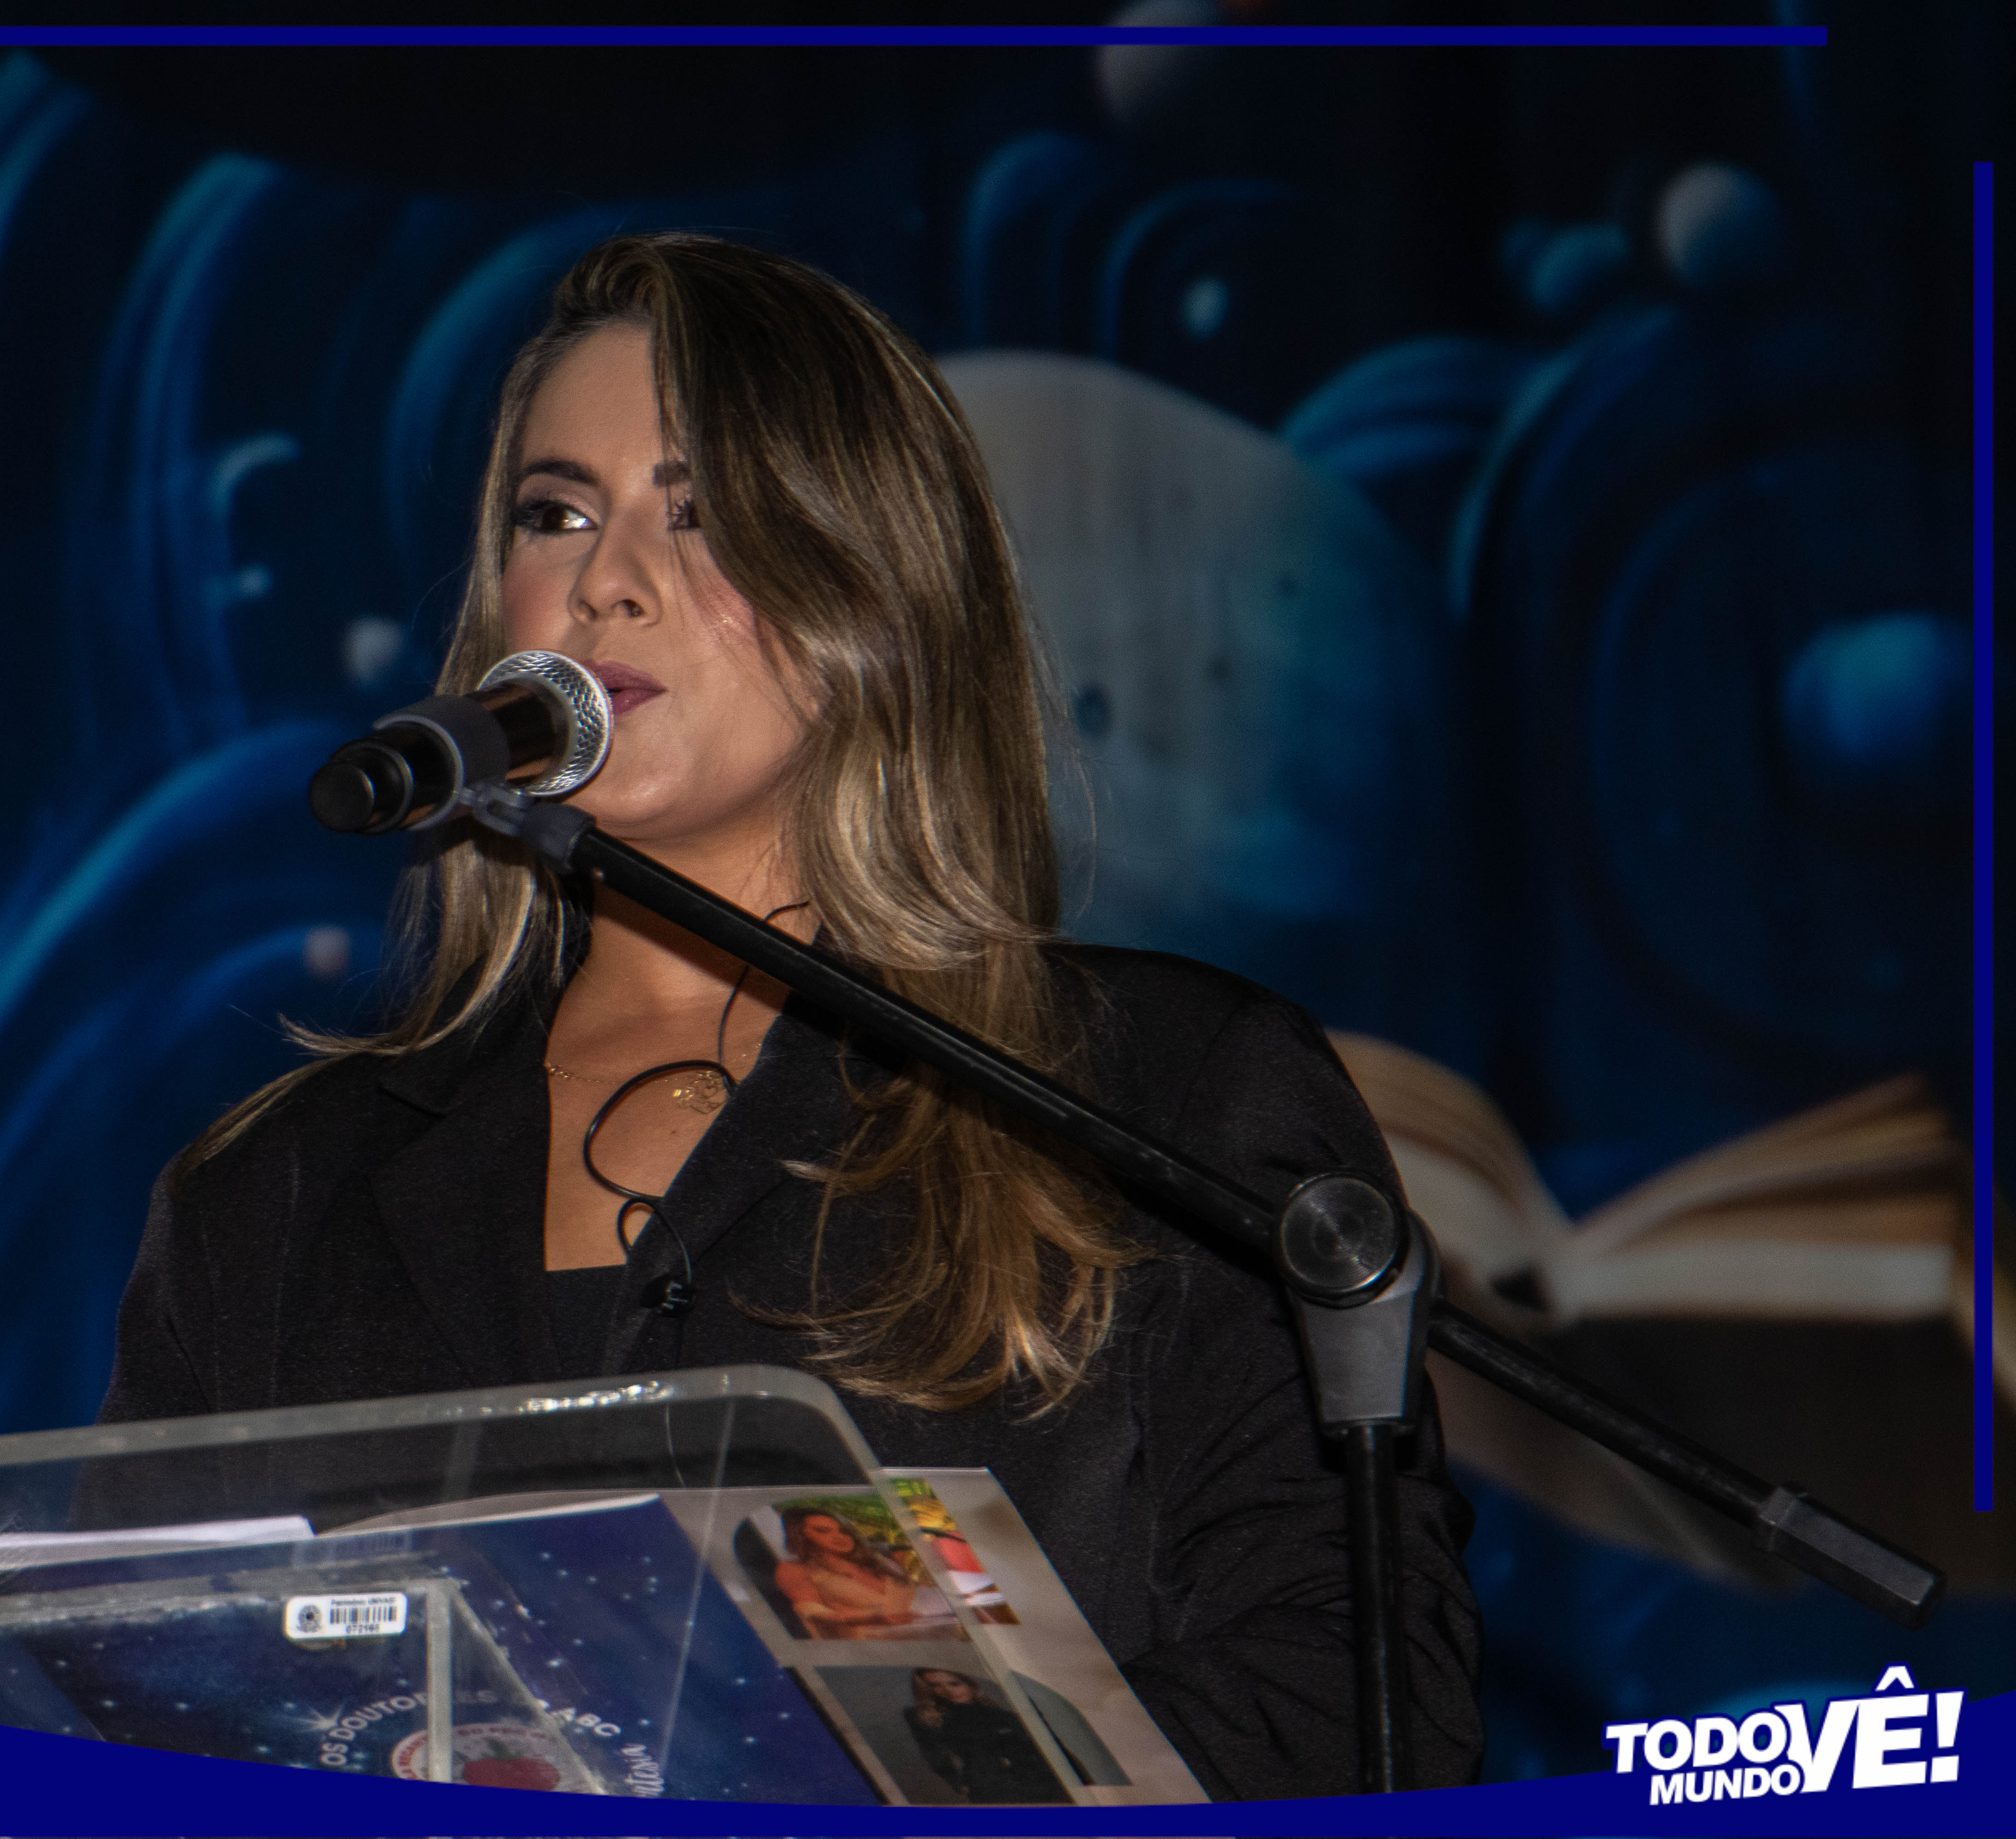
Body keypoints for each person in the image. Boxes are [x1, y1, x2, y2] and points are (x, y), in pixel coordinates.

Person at [98, 233, 1483, 1798]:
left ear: (878, 587)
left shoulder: (1160, 1101)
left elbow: (1360, 1693)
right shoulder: (276, 1197)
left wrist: (866, 1783)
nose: (605, 581)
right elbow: (118, 1719)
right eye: (557, 515)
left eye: (699, 514)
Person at [771, 1505, 939, 1639]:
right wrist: (869, 1618)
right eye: (823, 1531)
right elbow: (811, 1613)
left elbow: (920, 1594)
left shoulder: (876, 1561)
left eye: (842, 1530)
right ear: (800, 1536)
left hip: (928, 1634)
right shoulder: (794, 1569)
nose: (840, 1537)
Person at [904, 1669, 1070, 1803]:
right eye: (935, 1686)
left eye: (955, 1683)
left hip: (1043, 1785)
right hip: (992, 1791)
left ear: (970, 1684)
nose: (947, 1691)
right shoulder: (932, 1720)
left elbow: (1047, 1750)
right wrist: (958, 1784)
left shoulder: (1004, 1715)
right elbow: (933, 1755)